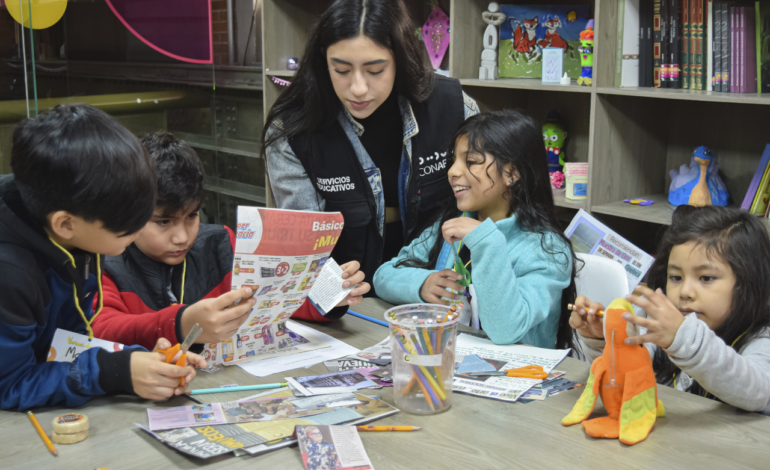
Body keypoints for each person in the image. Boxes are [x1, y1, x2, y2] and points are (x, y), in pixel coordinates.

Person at [263, 0, 479, 311]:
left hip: (440, 300)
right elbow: (304, 254)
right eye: (341, 70)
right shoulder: (294, 132)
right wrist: (329, 290)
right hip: (350, 309)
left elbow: (487, 209)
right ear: (323, 62)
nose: (358, 88)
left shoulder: (454, 108)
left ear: (400, 60)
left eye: (375, 70)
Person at [0, 104, 205, 410]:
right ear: (65, 224)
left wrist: (132, 359)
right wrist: (112, 372)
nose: (137, 233)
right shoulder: (10, 273)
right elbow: (10, 385)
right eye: (127, 226)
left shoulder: (76, 231)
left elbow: (65, 344)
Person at [93, 133, 368, 351]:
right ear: (130, 212)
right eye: (163, 222)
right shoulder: (105, 261)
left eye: (191, 216)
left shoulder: (221, 243)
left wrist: (329, 295)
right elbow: (102, 330)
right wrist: (181, 323)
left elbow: (275, 297)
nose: (181, 237)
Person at [374, 110, 578, 349]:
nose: (452, 171)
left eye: (471, 162)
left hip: (517, 376)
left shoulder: (548, 248)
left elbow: (506, 329)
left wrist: (487, 242)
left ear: (512, 173)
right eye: (454, 160)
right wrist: (423, 283)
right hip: (449, 360)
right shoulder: (452, 223)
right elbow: (383, 276)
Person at [571, 205, 770, 415]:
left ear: (749, 282)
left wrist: (682, 339)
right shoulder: (652, 319)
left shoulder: (762, 336)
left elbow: (759, 392)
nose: (685, 292)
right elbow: (624, 377)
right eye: (676, 277)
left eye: (706, 278)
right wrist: (607, 341)